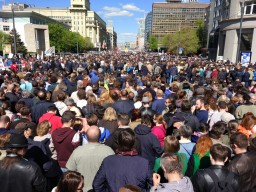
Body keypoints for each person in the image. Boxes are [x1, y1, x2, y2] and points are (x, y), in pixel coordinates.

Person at [66, 125, 115, 192]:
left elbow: (70, 170)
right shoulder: (109, 151)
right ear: (100, 136)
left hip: (83, 189)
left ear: (86, 136)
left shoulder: (78, 151)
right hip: (100, 189)